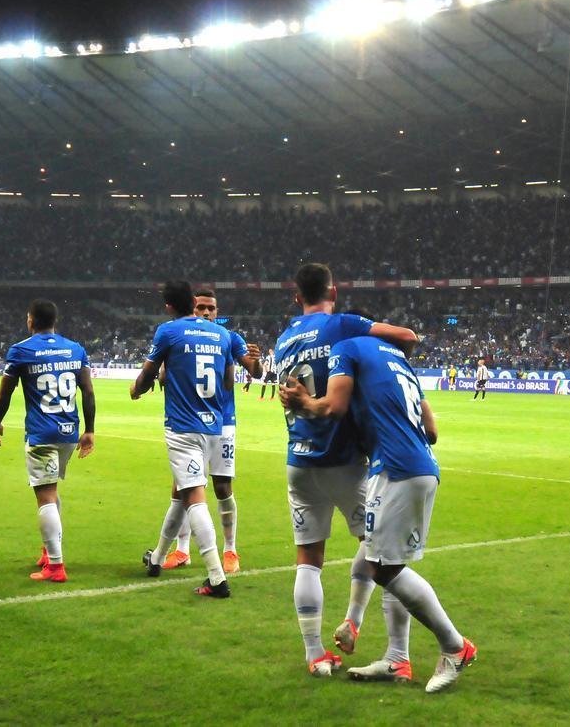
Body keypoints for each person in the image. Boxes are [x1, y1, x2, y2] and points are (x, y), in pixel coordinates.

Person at [282, 335, 477, 693]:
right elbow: (431, 431)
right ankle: (397, 659)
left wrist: (305, 402)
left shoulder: (349, 346)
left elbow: (333, 407)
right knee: (383, 559)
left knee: (385, 568)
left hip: (396, 470)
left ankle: (455, 646)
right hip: (419, 466)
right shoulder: (400, 364)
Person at [273, 263, 418, 677]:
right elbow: (406, 337)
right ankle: (361, 625)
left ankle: (315, 654)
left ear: (295, 296)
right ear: (333, 291)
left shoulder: (284, 341)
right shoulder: (342, 324)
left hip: (298, 460)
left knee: (309, 558)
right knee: (384, 550)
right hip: (343, 460)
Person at [130, 280, 233, 598]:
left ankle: (216, 577)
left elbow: (149, 374)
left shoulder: (168, 331)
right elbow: (228, 381)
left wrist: (137, 389)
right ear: (191, 302)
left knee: (193, 497)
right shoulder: (222, 335)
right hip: (214, 426)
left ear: (169, 307)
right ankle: (157, 558)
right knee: (180, 491)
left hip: (183, 427)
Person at [0, 299, 95, 584]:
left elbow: (4, 394)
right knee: (52, 490)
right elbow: (87, 391)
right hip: (69, 433)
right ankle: (50, 551)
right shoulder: (76, 349)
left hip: (41, 434)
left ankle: (56, 567)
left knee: (45, 496)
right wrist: (90, 429)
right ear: (54, 321)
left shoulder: (21, 350)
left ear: (30, 320)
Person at [161, 289, 263, 574]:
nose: (207, 312)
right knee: (182, 487)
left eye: (212, 309)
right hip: (190, 421)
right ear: (193, 308)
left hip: (222, 422)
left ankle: (230, 550)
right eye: (202, 307)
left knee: (221, 486)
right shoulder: (181, 336)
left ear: (217, 312)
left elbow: (254, 372)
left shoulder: (229, 338)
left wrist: (255, 362)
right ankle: (182, 551)